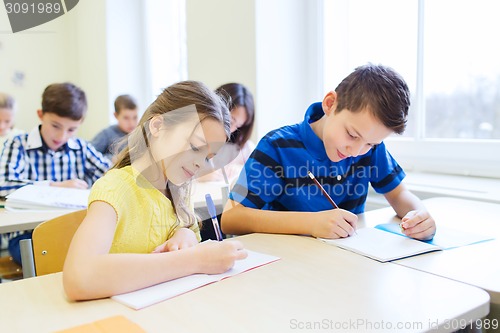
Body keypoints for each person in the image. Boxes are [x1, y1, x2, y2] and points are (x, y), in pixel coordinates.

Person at [63, 80, 248, 301]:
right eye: (195, 147)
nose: (201, 164)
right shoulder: (116, 188)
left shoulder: (177, 189)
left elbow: (188, 235)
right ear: (158, 126)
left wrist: (186, 234)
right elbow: (80, 277)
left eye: (208, 157)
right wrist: (195, 260)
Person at [222, 64, 436, 241]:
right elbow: (231, 217)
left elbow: (399, 194)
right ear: (330, 104)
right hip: (287, 267)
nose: (356, 151)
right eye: (352, 135)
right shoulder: (275, 146)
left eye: (370, 144)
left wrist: (420, 215)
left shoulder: (371, 149)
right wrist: (312, 223)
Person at [0, 82, 111, 264]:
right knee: (60, 261)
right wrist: (55, 186)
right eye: (55, 126)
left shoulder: (80, 147)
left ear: (80, 124)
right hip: (28, 235)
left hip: (75, 230)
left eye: (71, 129)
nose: (61, 136)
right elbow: (3, 184)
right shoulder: (18, 144)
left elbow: (112, 174)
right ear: (40, 115)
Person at [91, 94, 139, 159]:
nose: (131, 123)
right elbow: (89, 155)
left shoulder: (140, 134)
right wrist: (112, 159)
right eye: (126, 118)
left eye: (135, 117)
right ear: (116, 115)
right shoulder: (107, 134)